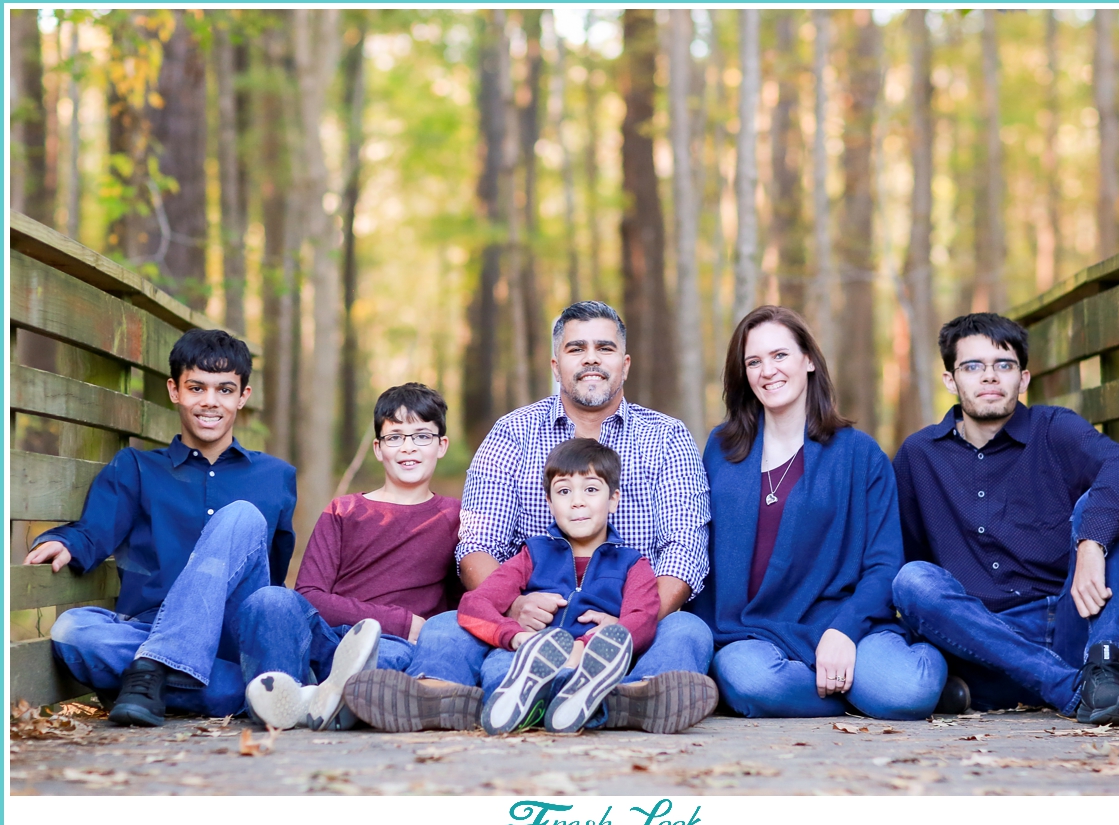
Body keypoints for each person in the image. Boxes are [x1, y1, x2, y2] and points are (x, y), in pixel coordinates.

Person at [344, 301, 717, 734]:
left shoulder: (666, 437)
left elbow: (685, 551)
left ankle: (634, 695)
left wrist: (632, 624)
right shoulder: (513, 433)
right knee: (450, 624)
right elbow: (478, 543)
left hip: (634, 623)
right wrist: (514, 607)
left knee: (688, 629)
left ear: (625, 363)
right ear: (557, 364)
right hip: (530, 625)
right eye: (577, 348)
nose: (592, 357)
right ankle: (435, 693)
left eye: (605, 348)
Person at [891, 313, 1119, 725]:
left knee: (1102, 509)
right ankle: (1085, 688)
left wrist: (1091, 543)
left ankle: (1101, 669)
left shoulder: (1055, 429)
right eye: (973, 366)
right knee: (912, 580)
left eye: (1004, 365)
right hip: (982, 640)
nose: (990, 377)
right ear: (950, 380)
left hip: (1072, 624)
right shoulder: (918, 455)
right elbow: (903, 553)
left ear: (1023, 379)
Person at [25, 329, 296, 726]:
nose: (209, 402)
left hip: (232, 642)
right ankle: (241, 692)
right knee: (74, 630)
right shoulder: (135, 468)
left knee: (243, 516)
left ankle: (154, 672)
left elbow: (270, 572)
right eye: (196, 387)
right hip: (156, 630)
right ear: (174, 390)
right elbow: (94, 531)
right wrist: (65, 542)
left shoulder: (276, 476)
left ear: (243, 396)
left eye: (224, 390)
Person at [695, 305, 947, 720]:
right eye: (754, 361)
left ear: (808, 360)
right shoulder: (723, 448)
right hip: (752, 631)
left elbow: (884, 563)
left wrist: (844, 630)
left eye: (780, 356)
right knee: (749, 680)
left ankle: (905, 681)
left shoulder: (859, 454)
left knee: (907, 691)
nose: (767, 370)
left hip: (840, 620)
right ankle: (853, 694)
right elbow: (706, 551)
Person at [240, 383, 469, 731]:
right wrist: (402, 622)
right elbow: (311, 597)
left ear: (442, 445)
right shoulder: (344, 510)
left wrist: (410, 633)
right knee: (270, 600)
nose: (408, 447)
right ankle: (296, 698)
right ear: (378, 449)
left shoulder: (455, 518)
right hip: (330, 638)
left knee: (388, 661)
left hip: (392, 649)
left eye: (422, 436)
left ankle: (321, 699)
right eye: (395, 438)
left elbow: (458, 607)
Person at [452, 438, 658, 735]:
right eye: (564, 491)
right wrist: (517, 638)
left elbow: (643, 618)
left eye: (590, 489)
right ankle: (534, 701)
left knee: (598, 670)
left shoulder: (631, 564)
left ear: (613, 499)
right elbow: (474, 605)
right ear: (549, 502)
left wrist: (585, 647)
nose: (577, 501)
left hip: (590, 660)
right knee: (499, 668)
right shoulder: (533, 554)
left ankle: (570, 695)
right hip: (523, 654)